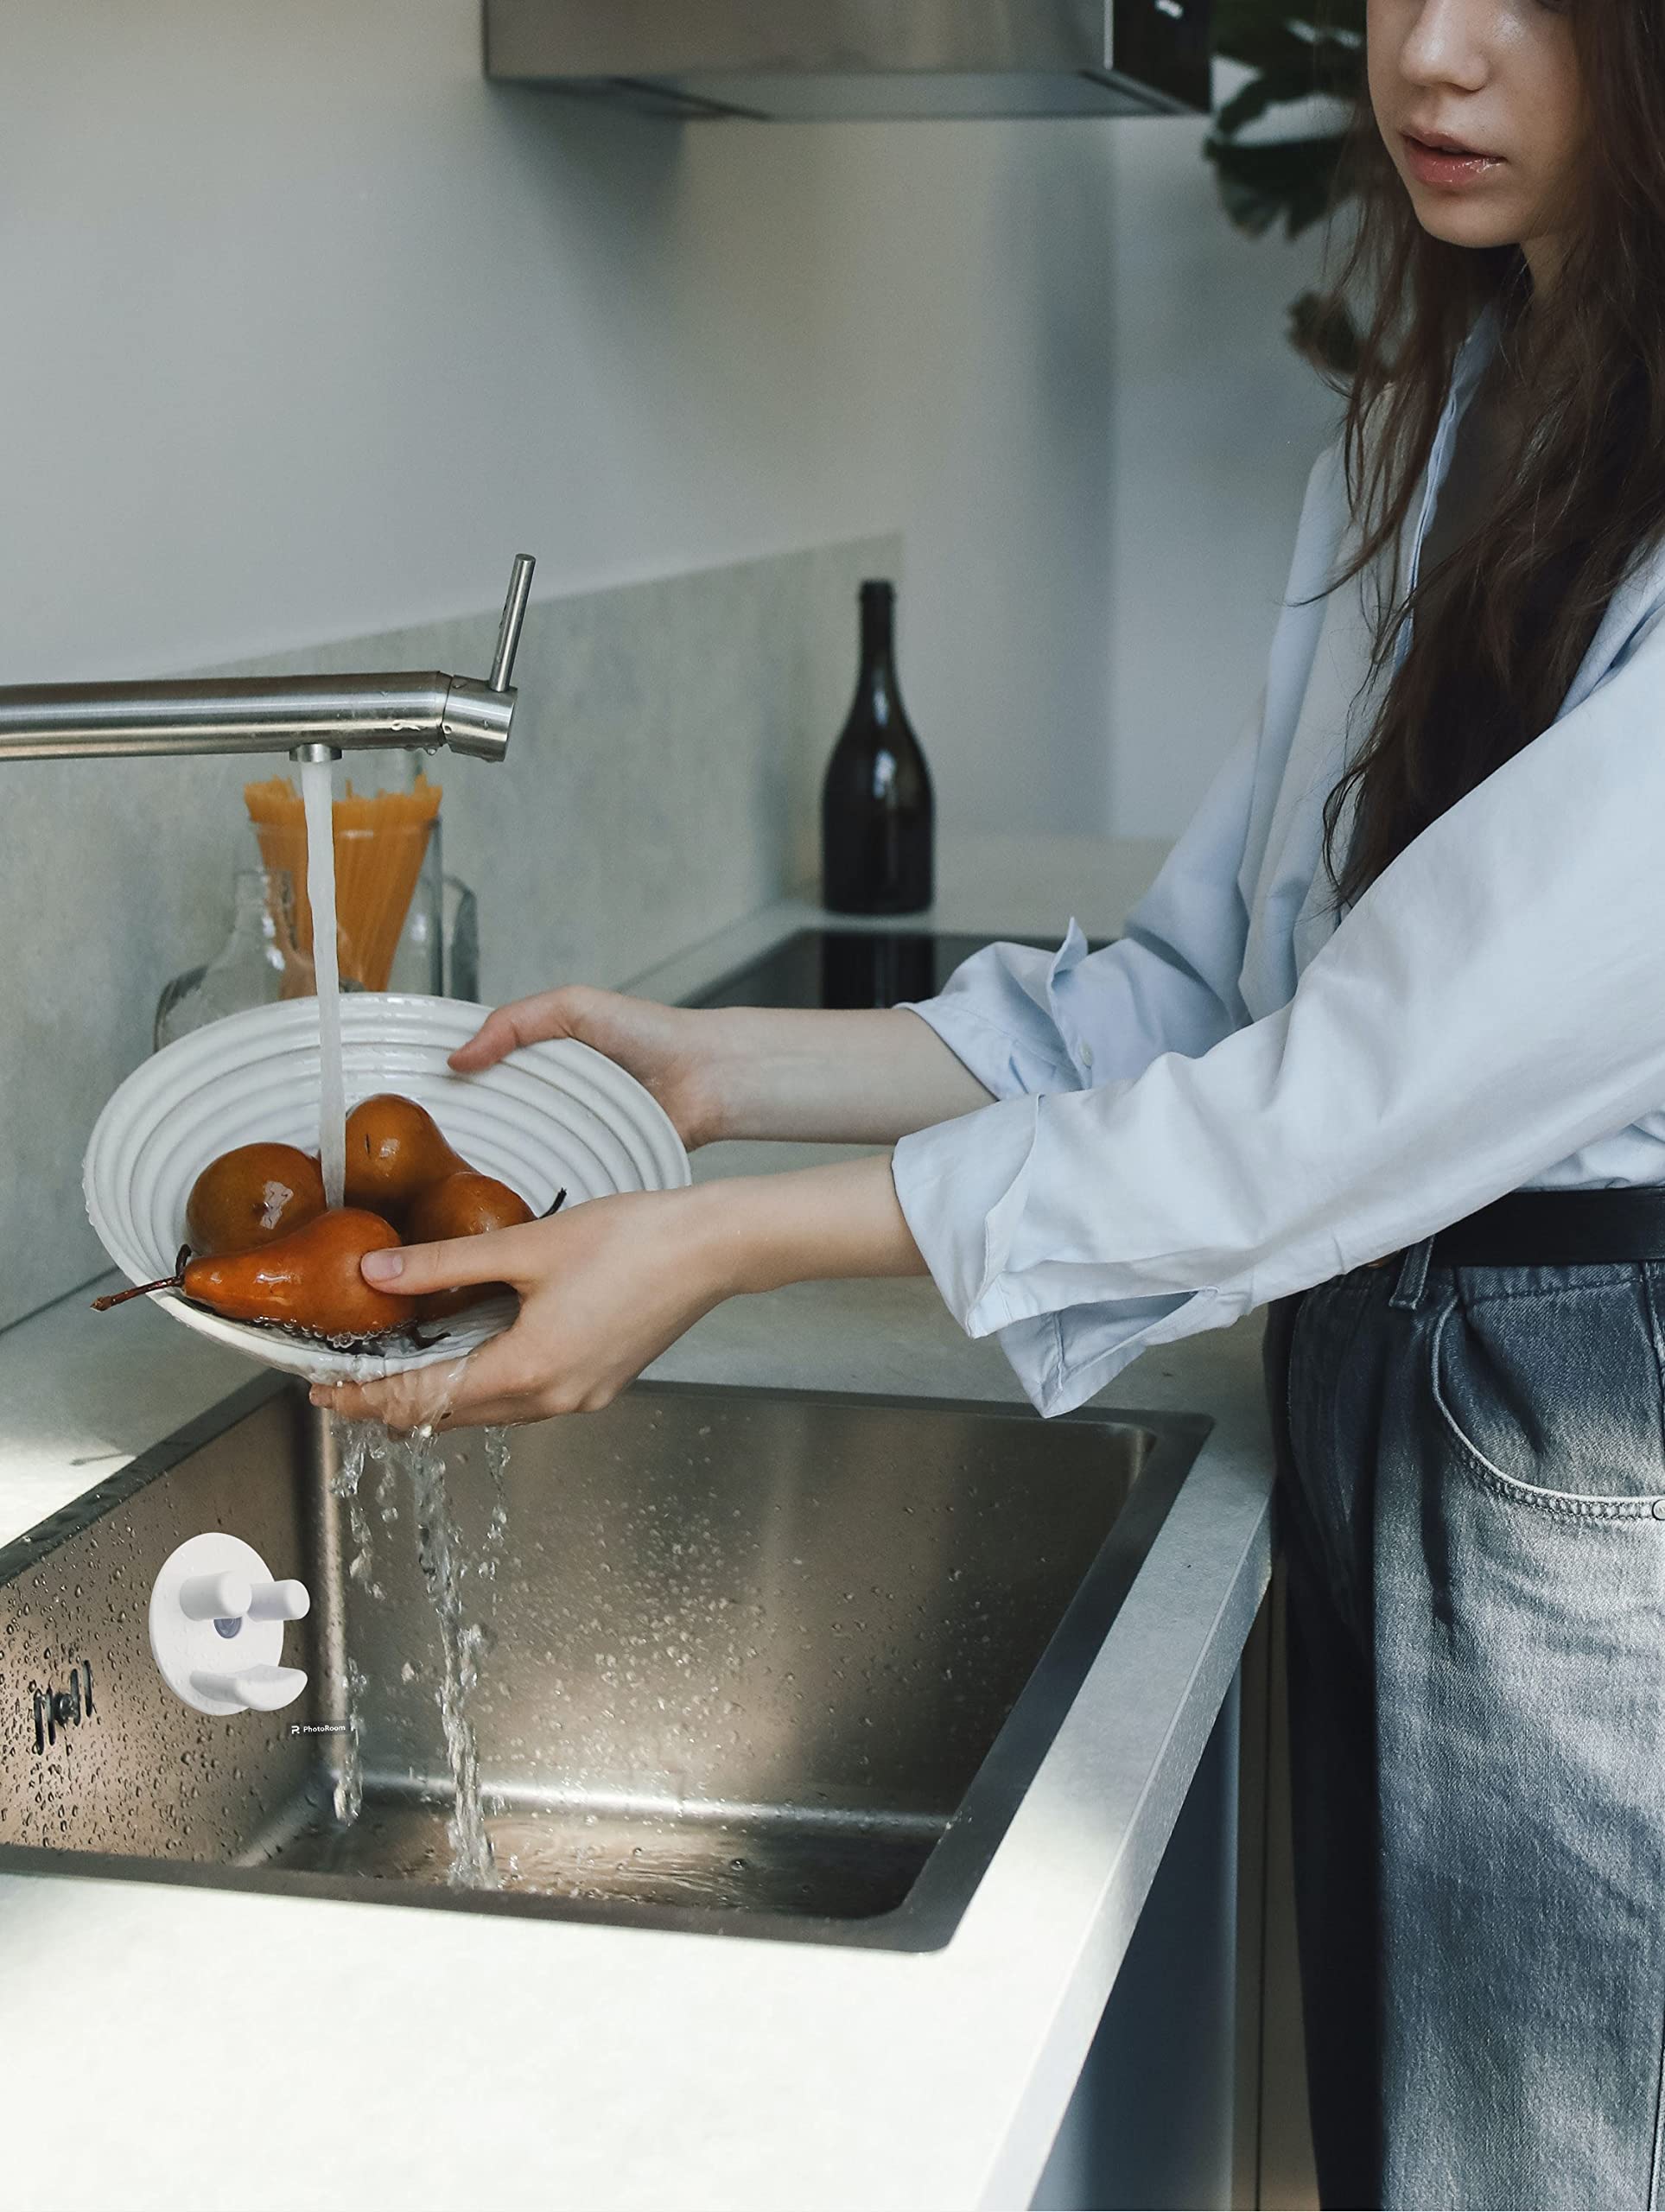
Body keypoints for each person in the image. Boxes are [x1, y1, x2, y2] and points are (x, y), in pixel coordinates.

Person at [315, 0, 1665, 2199]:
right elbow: (1202, 988)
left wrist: (722, 1238)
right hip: (1402, 1372)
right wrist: (714, 1079)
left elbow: (1318, 1108)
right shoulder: (1446, 412)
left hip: (1586, 1426)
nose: (1432, 54)